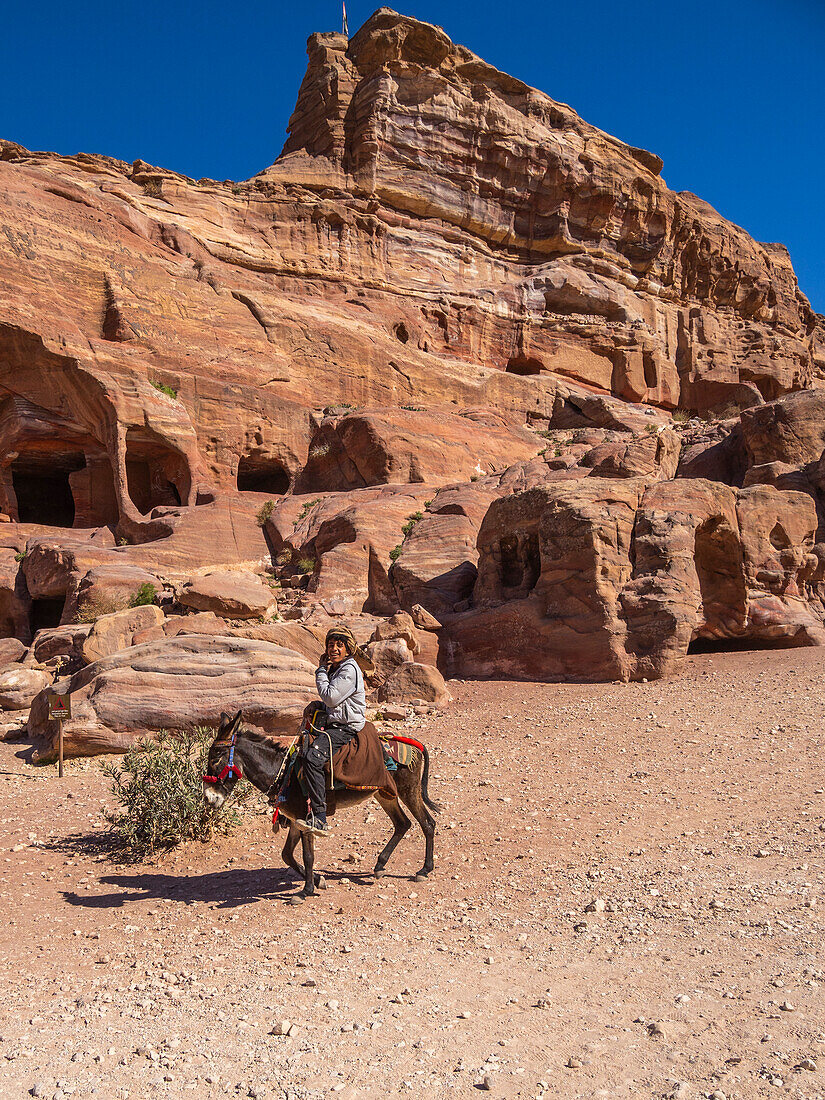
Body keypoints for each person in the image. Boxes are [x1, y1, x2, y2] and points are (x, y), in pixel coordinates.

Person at [297, 626, 367, 837]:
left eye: (339, 645)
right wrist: (318, 704)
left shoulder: (349, 669)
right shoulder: (338, 669)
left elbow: (331, 697)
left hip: (346, 728)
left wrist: (320, 671)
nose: (334, 649)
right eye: (330, 645)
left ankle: (319, 817)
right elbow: (331, 702)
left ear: (348, 649)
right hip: (335, 723)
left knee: (312, 758)